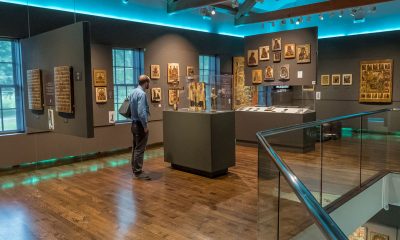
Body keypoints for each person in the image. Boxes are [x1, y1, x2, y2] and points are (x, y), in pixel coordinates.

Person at [129, 75, 151, 180]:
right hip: (140, 125)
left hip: (133, 124)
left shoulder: (132, 92)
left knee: (135, 148)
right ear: (146, 82)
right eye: (148, 83)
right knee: (140, 149)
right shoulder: (142, 94)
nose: (148, 85)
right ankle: (138, 172)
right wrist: (145, 125)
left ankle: (135, 169)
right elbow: (141, 112)